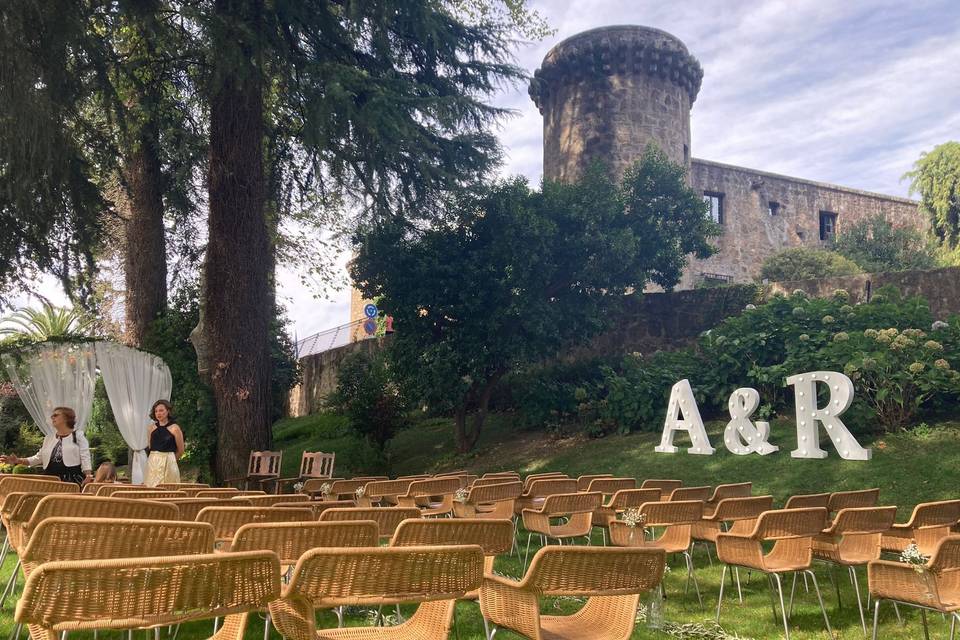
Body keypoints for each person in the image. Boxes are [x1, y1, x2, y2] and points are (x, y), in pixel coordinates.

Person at [1, 407, 92, 485]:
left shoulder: (78, 435)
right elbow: (38, 458)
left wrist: (88, 475)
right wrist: (18, 460)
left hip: (71, 480)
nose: (52, 417)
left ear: (66, 418)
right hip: (49, 479)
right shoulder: (48, 438)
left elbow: (85, 456)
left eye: (56, 415)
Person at [144, 399, 184, 487]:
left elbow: (181, 450)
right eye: (156, 411)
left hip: (169, 463)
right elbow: (151, 447)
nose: (158, 413)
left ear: (168, 411)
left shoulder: (175, 428)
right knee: (151, 489)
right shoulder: (151, 428)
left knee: (168, 489)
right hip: (153, 463)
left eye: (161, 410)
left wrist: (171, 460)